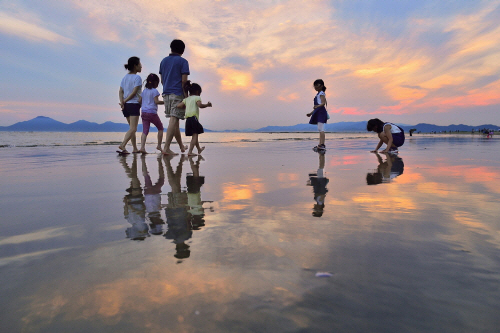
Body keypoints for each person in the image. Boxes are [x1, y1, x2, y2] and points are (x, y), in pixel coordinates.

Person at [159, 39, 190, 155]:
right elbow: (184, 81)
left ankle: (181, 146)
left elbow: (162, 80)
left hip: (166, 93)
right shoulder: (183, 62)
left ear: (171, 48)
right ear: (183, 50)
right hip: (177, 93)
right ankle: (166, 148)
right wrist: (186, 96)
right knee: (174, 120)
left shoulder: (163, 61)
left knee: (175, 121)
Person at [177, 81, 212, 156]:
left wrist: (185, 105)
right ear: (197, 91)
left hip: (188, 120)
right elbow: (200, 105)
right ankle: (190, 151)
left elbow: (179, 106)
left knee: (194, 135)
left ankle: (199, 149)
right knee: (195, 136)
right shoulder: (197, 97)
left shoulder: (187, 99)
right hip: (194, 119)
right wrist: (207, 105)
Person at [118, 56, 142, 154]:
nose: (141, 66)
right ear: (135, 66)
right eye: (139, 64)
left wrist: (122, 102)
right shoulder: (137, 77)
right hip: (133, 105)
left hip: (126, 106)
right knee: (133, 128)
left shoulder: (125, 78)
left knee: (131, 129)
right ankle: (123, 144)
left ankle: (135, 148)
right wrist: (124, 101)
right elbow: (134, 93)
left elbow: (120, 91)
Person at [139, 73, 164, 154]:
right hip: (152, 113)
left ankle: (142, 147)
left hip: (143, 113)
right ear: (156, 83)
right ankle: (159, 145)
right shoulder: (154, 91)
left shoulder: (144, 91)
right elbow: (156, 101)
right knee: (160, 128)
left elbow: (140, 101)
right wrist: (165, 102)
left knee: (145, 131)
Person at [306, 79, 328, 152]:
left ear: (321, 86)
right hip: (318, 112)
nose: (315, 87)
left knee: (321, 129)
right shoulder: (318, 94)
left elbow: (323, 103)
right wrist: (311, 113)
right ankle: (320, 144)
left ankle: (322, 144)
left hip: (321, 112)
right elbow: (317, 106)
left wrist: (317, 107)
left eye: (317, 85)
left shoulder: (321, 93)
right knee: (320, 129)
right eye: (314, 85)